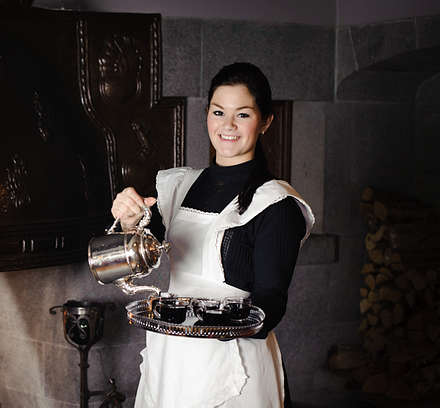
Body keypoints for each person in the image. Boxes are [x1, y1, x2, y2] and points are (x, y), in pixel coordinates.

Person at [111, 62, 314, 408]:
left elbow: (271, 304)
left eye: (244, 115)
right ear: (207, 114)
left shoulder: (276, 203)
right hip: (171, 359)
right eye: (219, 112)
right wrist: (129, 222)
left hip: (232, 369)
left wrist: (203, 321)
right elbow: (131, 266)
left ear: (266, 121)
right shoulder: (178, 186)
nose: (228, 125)